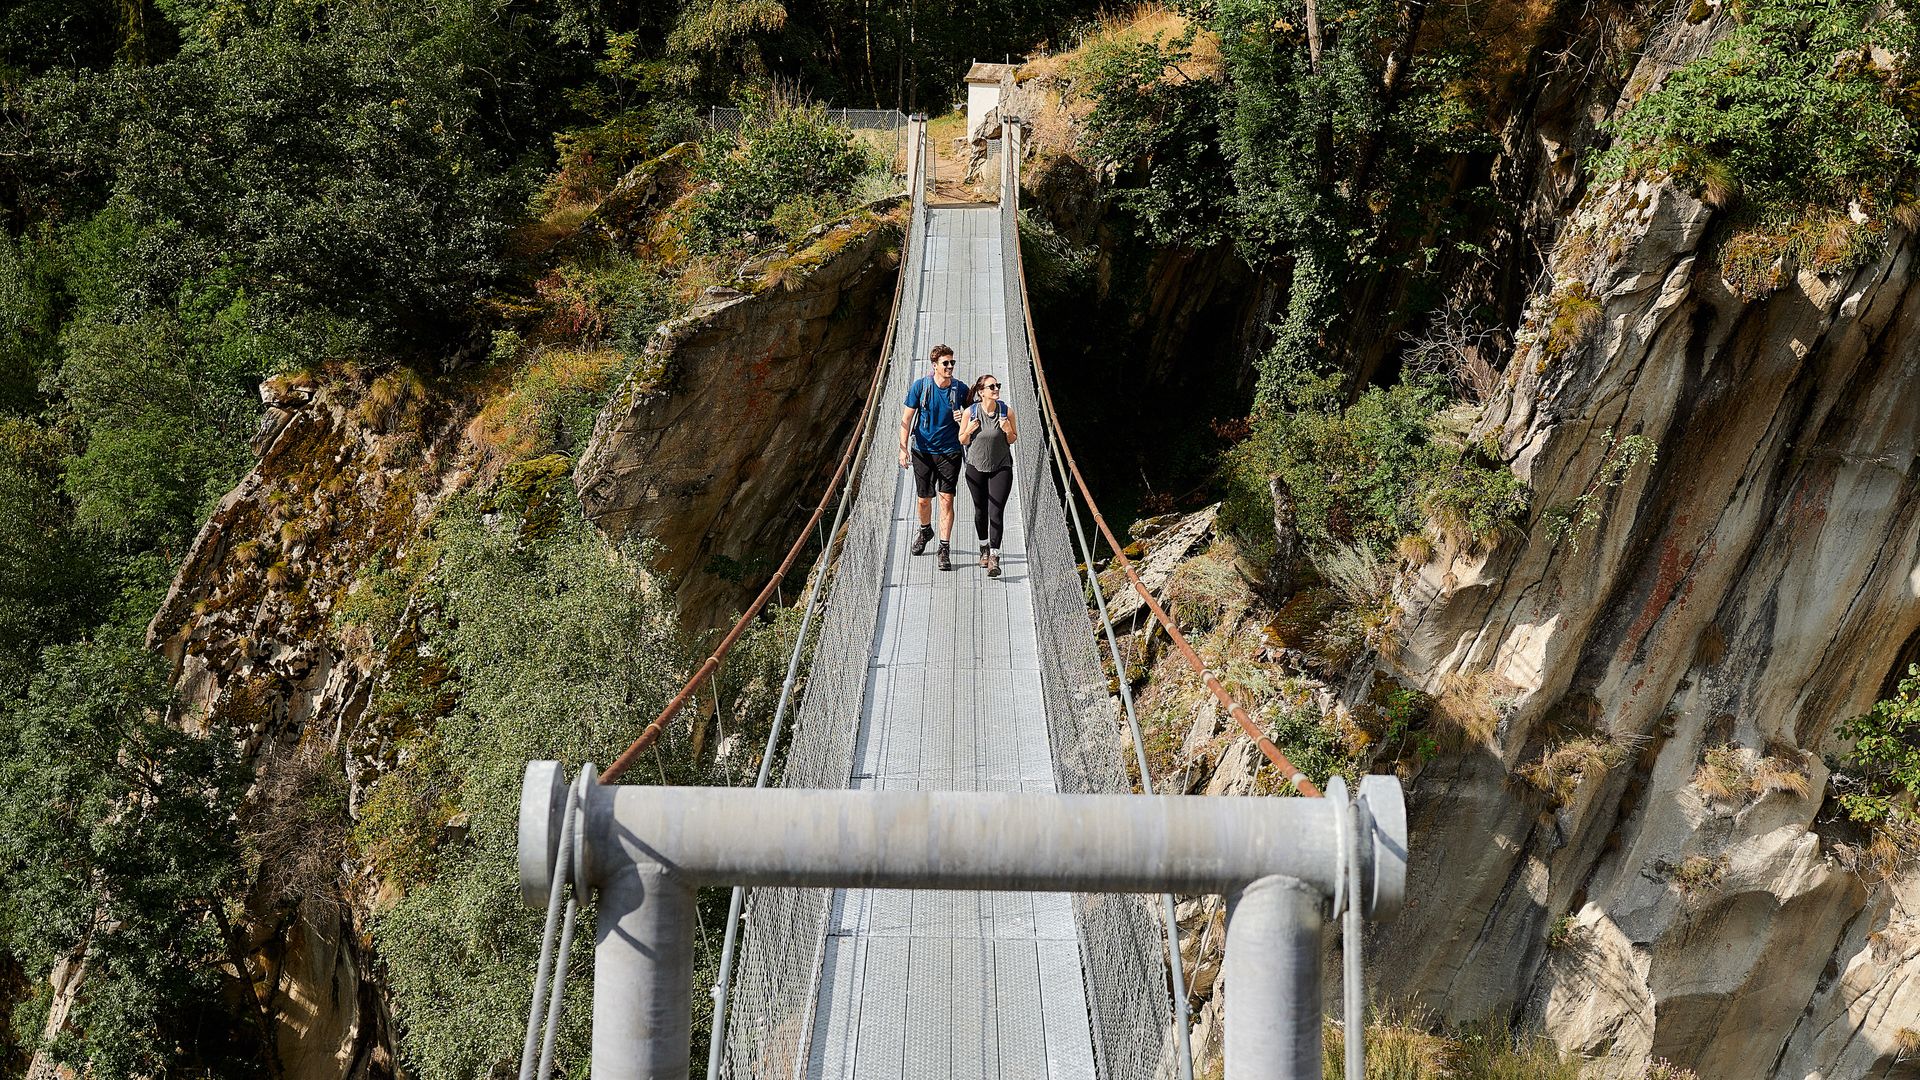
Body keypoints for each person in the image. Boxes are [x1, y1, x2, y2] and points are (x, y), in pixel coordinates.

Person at [898, 344, 971, 571]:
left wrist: (963, 418)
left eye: (952, 362)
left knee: (946, 499)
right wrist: (903, 449)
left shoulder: (960, 389)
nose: (950, 366)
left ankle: (944, 548)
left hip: (950, 451)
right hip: (922, 451)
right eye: (945, 363)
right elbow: (906, 419)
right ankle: (925, 530)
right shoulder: (920, 387)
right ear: (935, 365)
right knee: (923, 500)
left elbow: (974, 418)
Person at [958, 373, 1018, 578]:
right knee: (980, 510)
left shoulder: (1006, 411)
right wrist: (969, 430)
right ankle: (983, 547)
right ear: (981, 392)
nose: (996, 389)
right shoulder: (971, 412)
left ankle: (994, 556)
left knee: (996, 511)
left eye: (997, 385)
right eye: (991, 387)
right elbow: (962, 440)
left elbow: (1012, 439)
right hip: (975, 467)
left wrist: (1008, 430)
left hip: (1001, 467)